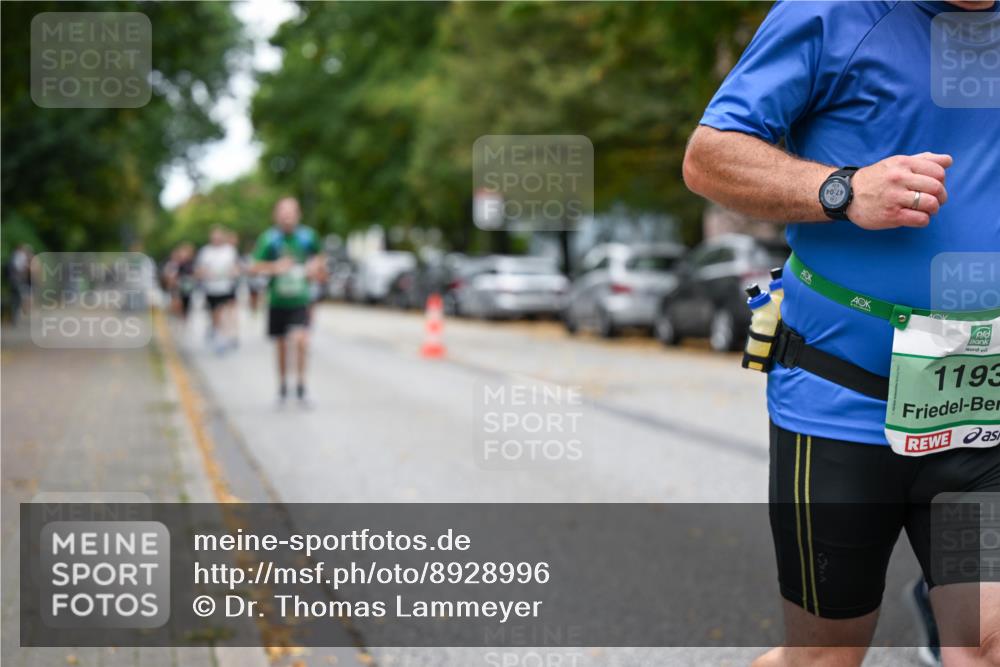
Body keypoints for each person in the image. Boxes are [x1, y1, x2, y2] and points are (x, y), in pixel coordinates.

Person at [683, 2, 999, 667]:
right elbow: (710, 158)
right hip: (839, 404)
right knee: (827, 656)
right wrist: (842, 189)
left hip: (978, 410)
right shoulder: (831, 14)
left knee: (988, 641)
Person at [251, 197, 325, 406]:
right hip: (277, 300)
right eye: (283, 213)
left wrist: (314, 267)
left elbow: (319, 258)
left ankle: (301, 386)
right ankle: (283, 386)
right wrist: (275, 267)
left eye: (291, 212)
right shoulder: (269, 239)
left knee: (301, 340)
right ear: (276, 216)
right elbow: (254, 265)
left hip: (300, 299)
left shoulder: (307, 237)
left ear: (298, 214)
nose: (287, 217)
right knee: (282, 345)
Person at [196, 226, 240, 352]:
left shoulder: (229, 250)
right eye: (214, 236)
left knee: (225, 312)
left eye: (218, 236)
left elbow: (236, 267)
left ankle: (224, 337)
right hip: (211, 289)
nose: (216, 239)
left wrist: (234, 272)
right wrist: (205, 273)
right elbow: (199, 269)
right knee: (215, 314)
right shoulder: (205, 251)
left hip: (226, 287)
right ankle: (216, 333)